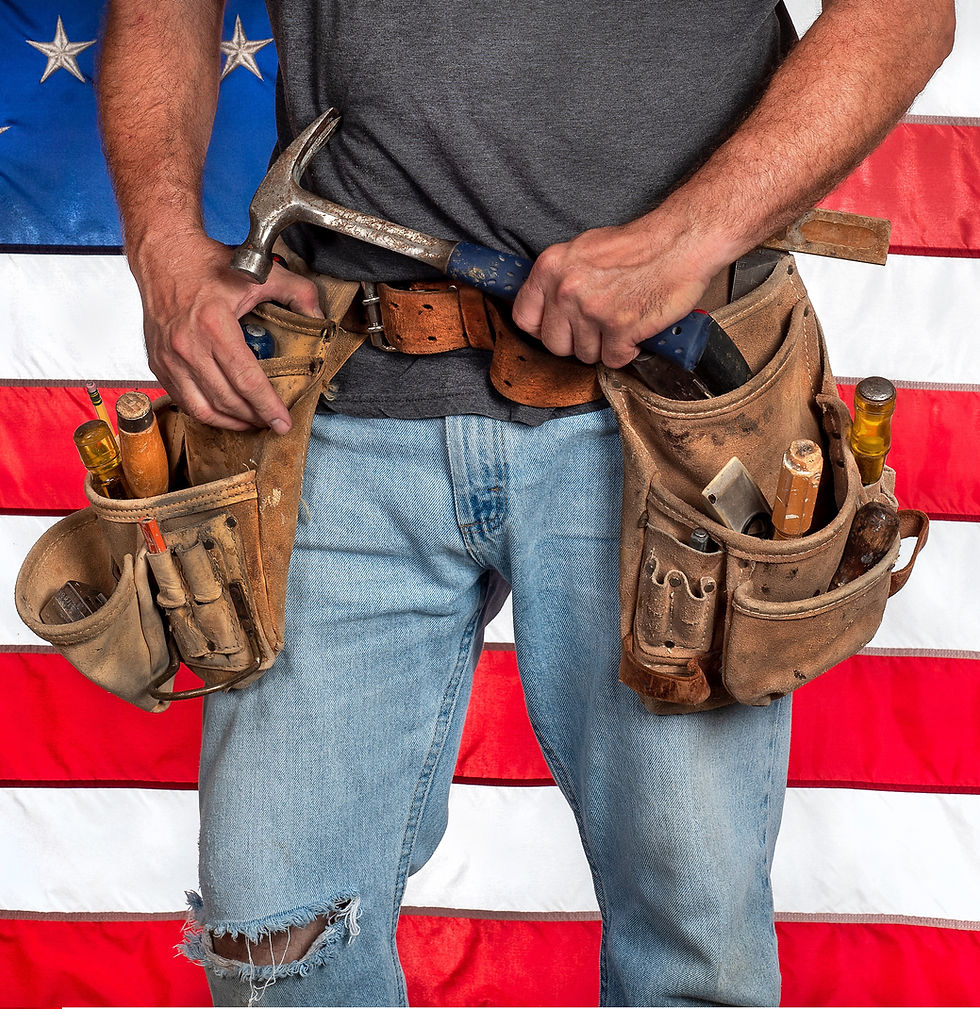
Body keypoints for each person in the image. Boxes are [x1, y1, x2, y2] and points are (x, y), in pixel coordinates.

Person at [96, 1, 953, 1004]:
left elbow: (904, 14)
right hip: (335, 392)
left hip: (672, 411)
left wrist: (680, 242)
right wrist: (159, 245)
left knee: (691, 941)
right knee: (271, 942)